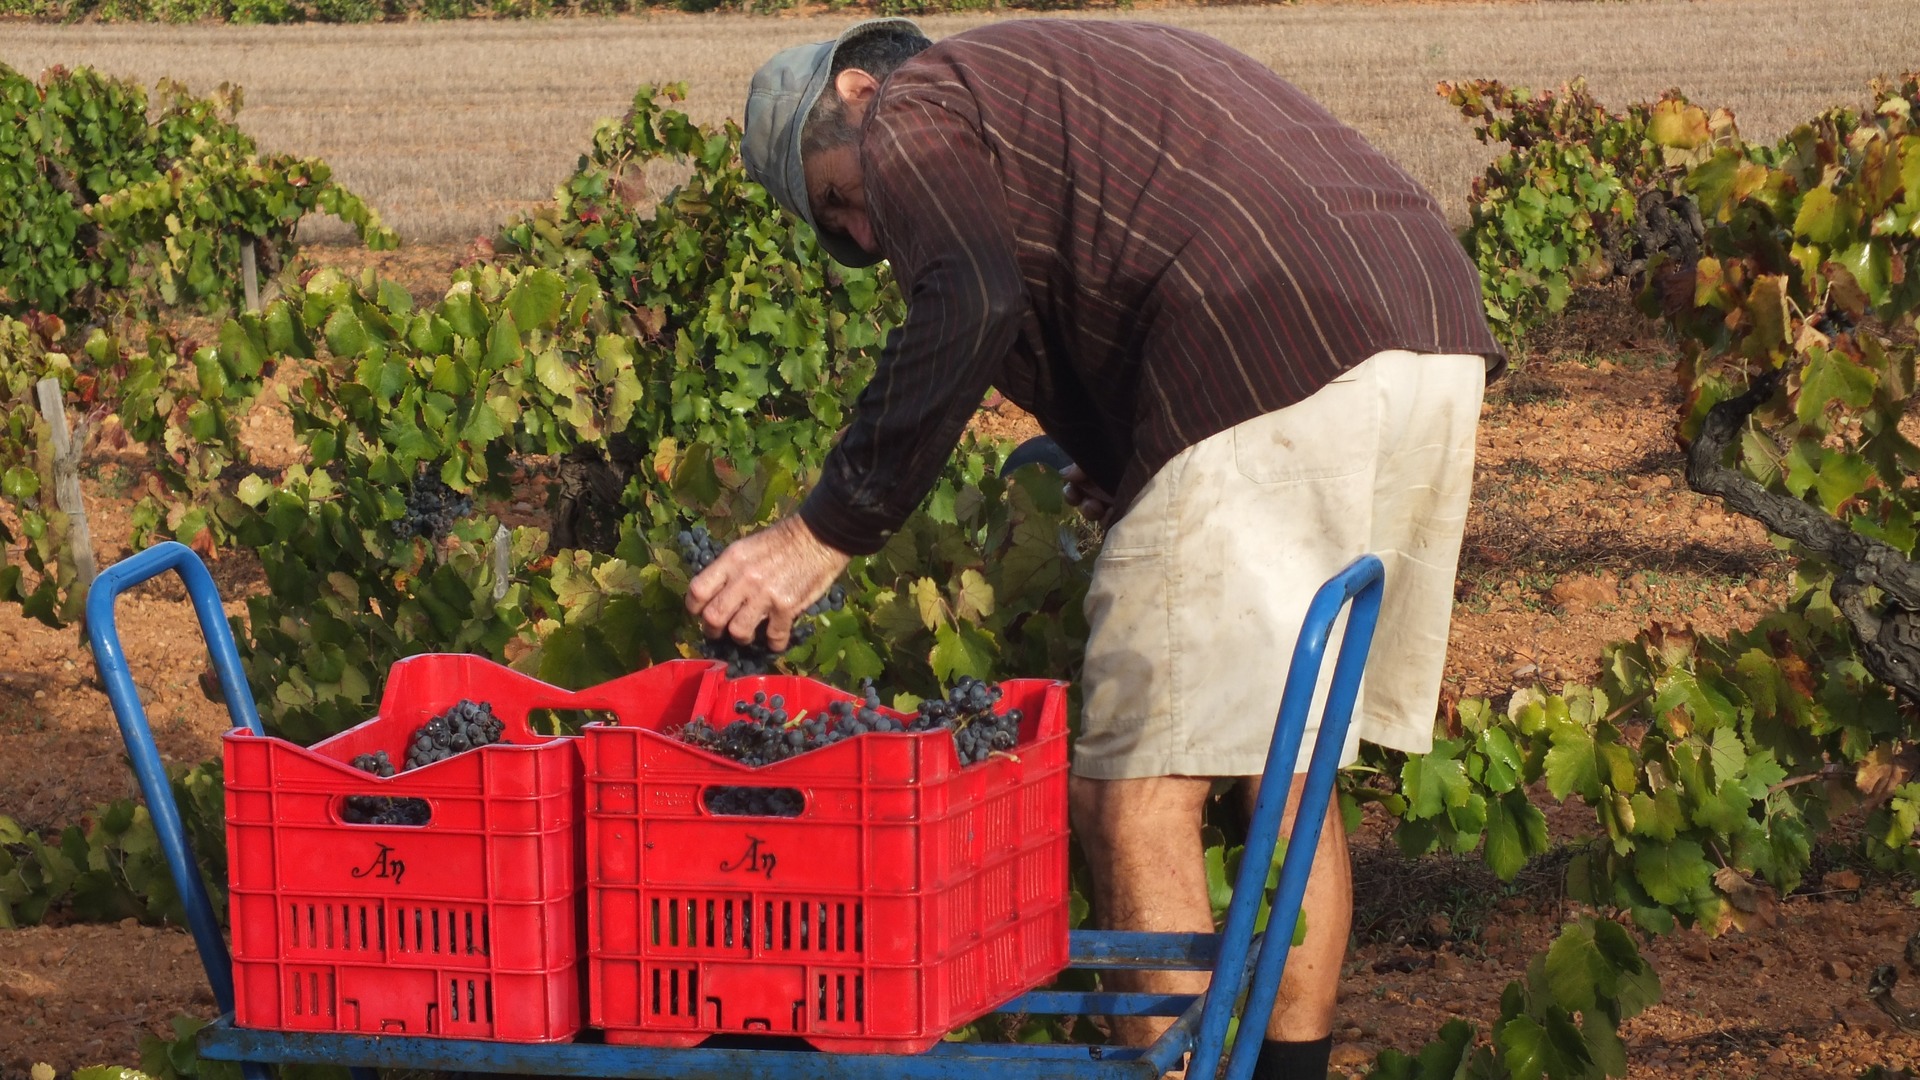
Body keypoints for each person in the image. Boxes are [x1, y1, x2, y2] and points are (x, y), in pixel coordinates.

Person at [688, 17, 1502, 1078]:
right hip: (1420, 325)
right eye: (836, 230)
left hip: (1270, 339)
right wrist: (1135, 457)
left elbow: (971, 300)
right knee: (1289, 773)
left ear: (853, 92)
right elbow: (1115, 254)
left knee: (1136, 791)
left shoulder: (917, 105)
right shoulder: (1035, 94)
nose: (862, 232)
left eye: (837, 197)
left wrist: (822, 531)